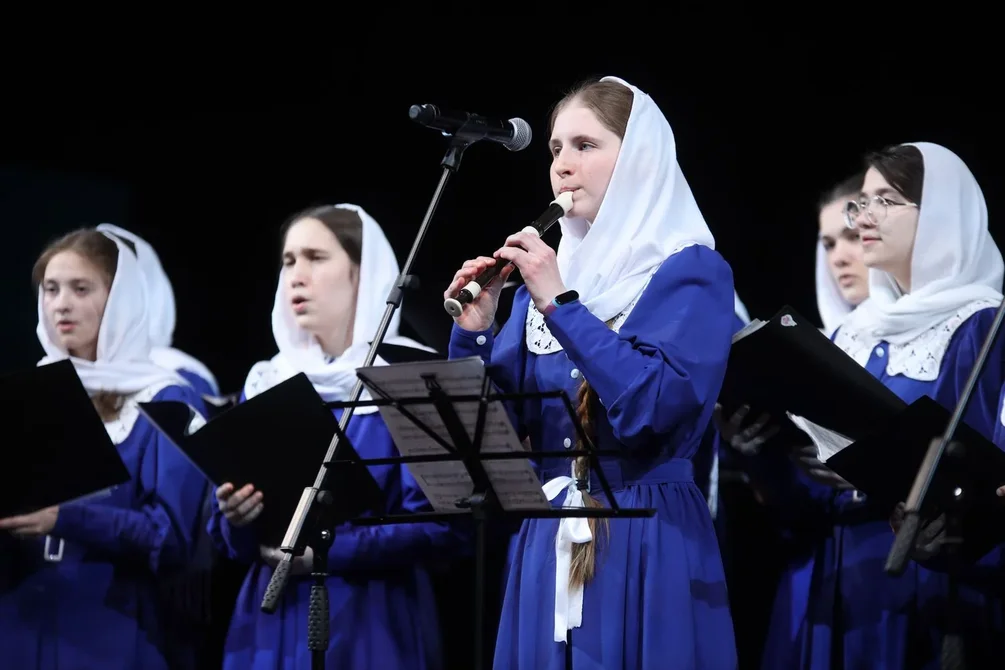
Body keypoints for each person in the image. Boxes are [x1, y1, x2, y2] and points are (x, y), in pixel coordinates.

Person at [445, 76, 738, 669]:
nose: (563, 165)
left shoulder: (693, 272)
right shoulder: (540, 289)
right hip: (546, 538)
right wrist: (475, 332)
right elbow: (491, 442)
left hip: (648, 532)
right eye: (556, 149)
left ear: (638, 160)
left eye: (586, 145)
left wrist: (562, 305)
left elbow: (652, 408)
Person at [760, 142, 1005, 668]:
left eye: (885, 201)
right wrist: (759, 448)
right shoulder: (852, 331)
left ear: (940, 212)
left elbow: (987, 468)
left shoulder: (983, 323)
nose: (864, 216)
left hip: (928, 585)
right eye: (861, 203)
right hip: (840, 577)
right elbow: (805, 490)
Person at [207, 203, 470, 670]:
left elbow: (443, 528)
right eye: (289, 260)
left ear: (361, 274)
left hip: (370, 618)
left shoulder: (407, 376)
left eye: (316, 258)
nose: (296, 275)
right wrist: (236, 517)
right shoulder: (267, 380)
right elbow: (231, 543)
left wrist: (329, 551)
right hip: (268, 622)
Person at [0, 228, 212, 669]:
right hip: (23, 623)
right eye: (51, 289)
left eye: (81, 289)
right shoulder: (30, 394)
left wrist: (64, 518)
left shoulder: (164, 400)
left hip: (115, 632)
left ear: (121, 301)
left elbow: (170, 538)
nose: (61, 304)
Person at [95, 223, 220, 399]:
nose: (65, 304)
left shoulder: (177, 374)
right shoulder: (61, 370)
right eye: (56, 289)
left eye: (82, 289)